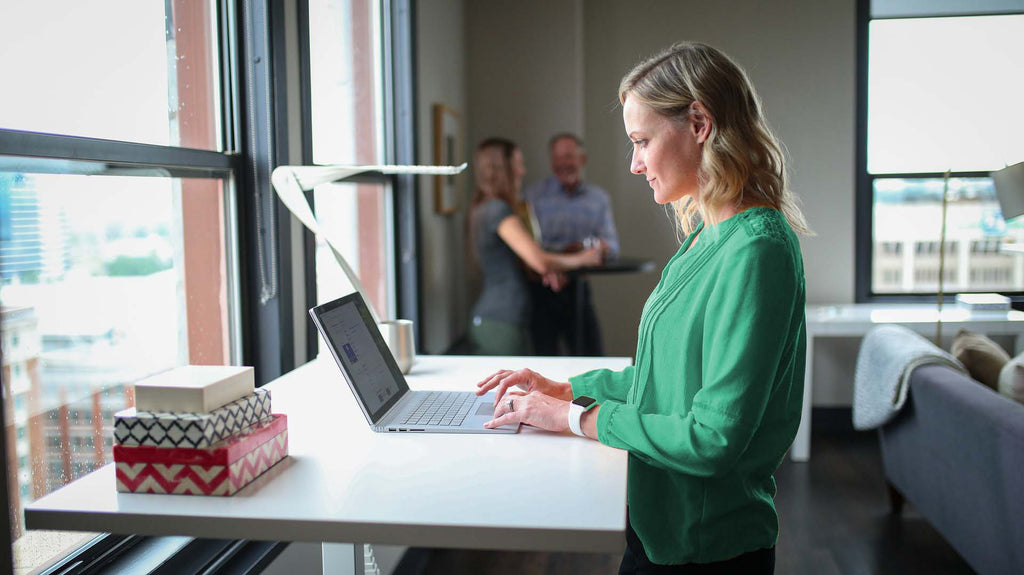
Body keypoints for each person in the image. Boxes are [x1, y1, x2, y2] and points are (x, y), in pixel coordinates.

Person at [476, 42, 812, 574]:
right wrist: (567, 390)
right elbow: (667, 382)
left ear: (699, 122)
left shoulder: (757, 249)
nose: (634, 164)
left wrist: (575, 418)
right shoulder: (705, 236)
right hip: (657, 525)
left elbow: (712, 438)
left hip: (707, 548)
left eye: (642, 141)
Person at [468, 137, 603, 356]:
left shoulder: (487, 208)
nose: (522, 171)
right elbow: (539, 259)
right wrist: (584, 259)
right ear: (503, 169)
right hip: (501, 322)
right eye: (518, 164)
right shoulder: (498, 210)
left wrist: (546, 271)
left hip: (501, 320)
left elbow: (525, 262)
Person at [524, 133, 620, 356]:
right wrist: (568, 256)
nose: (563, 163)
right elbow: (529, 247)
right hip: (542, 290)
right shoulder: (532, 195)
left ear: (582, 159)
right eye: (557, 158)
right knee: (544, 362)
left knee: (593, 357)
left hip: (579, 290)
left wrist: (596, 250)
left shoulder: (598, 198)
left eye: (568, 156)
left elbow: (612, 247)